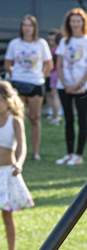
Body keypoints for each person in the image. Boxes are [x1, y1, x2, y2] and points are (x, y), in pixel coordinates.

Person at [3, 16, 53, 161]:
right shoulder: (14, 43)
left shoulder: (41, 44)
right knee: (16, 118)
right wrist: (17, 75)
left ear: (34, 28)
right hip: (18, 83)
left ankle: (35, 152)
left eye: (30, 25)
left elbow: (49, 65)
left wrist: (40, 77)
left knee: (34, 118)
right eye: (24, 25)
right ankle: (14, 151)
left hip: (36, 84)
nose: (27, 28)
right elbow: (7, 65)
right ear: (21, 27)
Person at [55, 8, 87, 166]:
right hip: (64, 87)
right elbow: (59, 65)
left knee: (82, 120)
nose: (75, 24)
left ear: (83, 23)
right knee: (68, 120)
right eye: (72, 21)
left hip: (83, 87)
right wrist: (65, 84)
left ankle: (79, 155)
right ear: (69, 23)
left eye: (78, 21)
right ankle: (69, 153)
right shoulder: (64, 41)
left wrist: (80, 84)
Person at [0, 81, 35, 250]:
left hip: (7, 174)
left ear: (8, 101)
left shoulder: (15, 121)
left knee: (7, 215)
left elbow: (22, 146)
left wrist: (19, 163)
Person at [45, 29, 63, 125]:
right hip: (60, 74)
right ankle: (59, 114)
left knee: (54, 95)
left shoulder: (53, 51)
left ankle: (55, 117)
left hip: (54, 74)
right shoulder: (61, 49)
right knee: (58, 96)